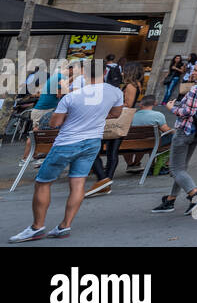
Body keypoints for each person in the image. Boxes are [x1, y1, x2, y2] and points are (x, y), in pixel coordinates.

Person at [8, 61, 124, 243]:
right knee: (78, 183)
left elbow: (54, 123)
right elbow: (116, 114)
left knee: (43, 182)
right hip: (92, 142)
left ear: (84, 73)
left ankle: (37, 227)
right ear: (104, 73)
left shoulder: (72, 97)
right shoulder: (116, 92)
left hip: (67, 143)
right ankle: (65, 225)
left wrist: (73, 116)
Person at [152, 59, 197, 216]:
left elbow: (187, 112)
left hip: (184, 131)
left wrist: (171, 107)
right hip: (196, 132)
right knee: (181, 168)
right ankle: (171, 199)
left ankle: (196, 196)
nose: (192, 72)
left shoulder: (196, 89)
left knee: (175, 169)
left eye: (196, 70)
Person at [85, 62, 146, 197]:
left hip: (117, 119)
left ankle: (105, 179)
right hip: (120, 121)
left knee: (105, 151)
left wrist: (113, 102)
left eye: (124, 71)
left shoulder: (131, 86)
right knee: (112, 151)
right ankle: (106, 180)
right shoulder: (134, 85)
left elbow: (128, 104)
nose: (122, 73)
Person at [124, 95, 171, 173]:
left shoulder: (130, 116)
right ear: (155, 103)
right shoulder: (158, 115)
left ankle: (131, 164)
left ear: (140, 104)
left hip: (130, 144)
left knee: (134, 139)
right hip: (151, 144)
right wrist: (175, 131)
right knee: (173, 137)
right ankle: (165, 164)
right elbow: (166, 130)